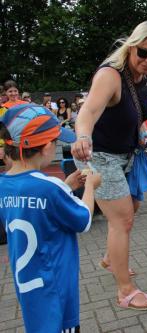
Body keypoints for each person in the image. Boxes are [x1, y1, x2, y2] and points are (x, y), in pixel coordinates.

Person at [71, 20, 147, 310]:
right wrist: (83, 136)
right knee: (122, 219)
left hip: (125, 154)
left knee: (131, 209)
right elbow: (87, 111)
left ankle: (111, 258)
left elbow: (134, 118)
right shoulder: (110, 75)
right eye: (143, 52)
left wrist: (144, 135)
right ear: (131, 46)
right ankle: (125, 291)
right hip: (97, 154)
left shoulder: (141, 79)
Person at [0, 104, 101, 332]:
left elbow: (34, 209)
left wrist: (66, 186)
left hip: (28, 284)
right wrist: (91, 187)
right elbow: (83, 219)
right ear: (46, 147)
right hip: (54, 283)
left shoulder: (4, 184)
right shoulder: (49, 186)